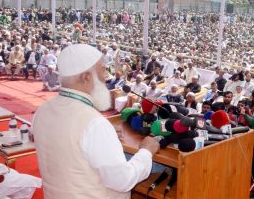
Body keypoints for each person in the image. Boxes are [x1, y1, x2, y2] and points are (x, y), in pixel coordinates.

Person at [33, 44, 160, 198]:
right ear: (86, 77)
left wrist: (104, 136)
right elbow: (123, 180)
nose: (106, 77)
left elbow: (70, 147)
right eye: (102, 70)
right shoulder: (94, 124)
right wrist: (146, 150)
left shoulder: (42, 111)